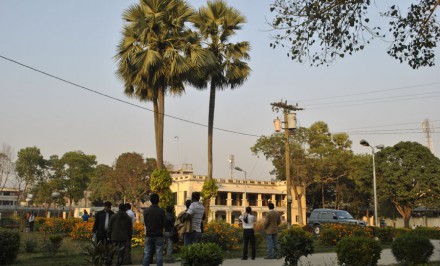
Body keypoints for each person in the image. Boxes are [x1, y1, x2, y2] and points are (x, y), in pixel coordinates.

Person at [143, 193, 165, 266]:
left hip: (149, 234)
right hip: (159, 234)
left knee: (147, 253)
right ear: (158, 200)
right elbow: (163, 223)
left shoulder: (146, 211)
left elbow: (146, 223)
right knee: (159, 254)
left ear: (150, 200)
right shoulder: (161, 211)